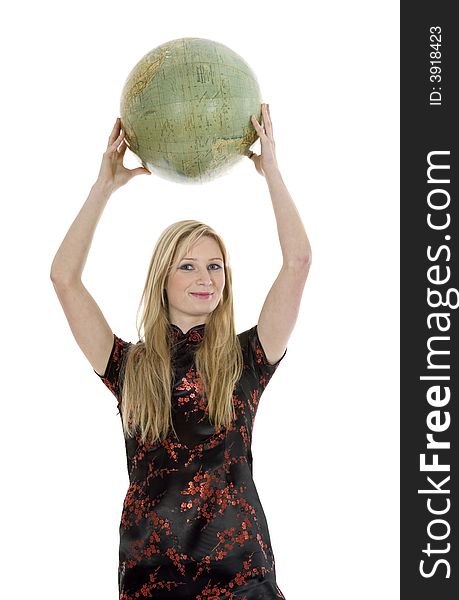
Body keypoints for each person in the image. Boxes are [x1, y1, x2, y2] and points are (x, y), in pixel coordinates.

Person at [50, 103, 311, 599]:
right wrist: (103, 186)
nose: (205, 278)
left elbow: (297, 261)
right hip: (152, 578)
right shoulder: (129, 366)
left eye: (215, 266)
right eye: (188, 265)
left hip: (240, 579)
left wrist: (271, 171)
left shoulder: (246, 361)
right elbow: (64, 278)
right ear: (163, 277)